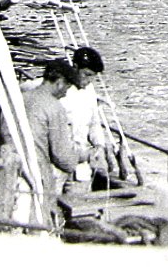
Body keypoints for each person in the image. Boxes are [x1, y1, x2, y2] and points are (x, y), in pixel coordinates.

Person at [61, 46, 130, 189]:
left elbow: (94, 122)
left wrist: (99, 145)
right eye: (86, 75)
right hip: (60, 161)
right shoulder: (61, 91)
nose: (89, 80)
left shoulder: (89, 90)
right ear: (75, 67)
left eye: (93, 76)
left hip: (81, 162)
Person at [20, 59, 82, 205]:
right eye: (67, 88)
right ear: (59, 83)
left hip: (13, 167)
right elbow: (62, 156)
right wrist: (79, 158)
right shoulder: (54, 107)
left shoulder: (20, 98)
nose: (65, 94)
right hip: (36, 175)